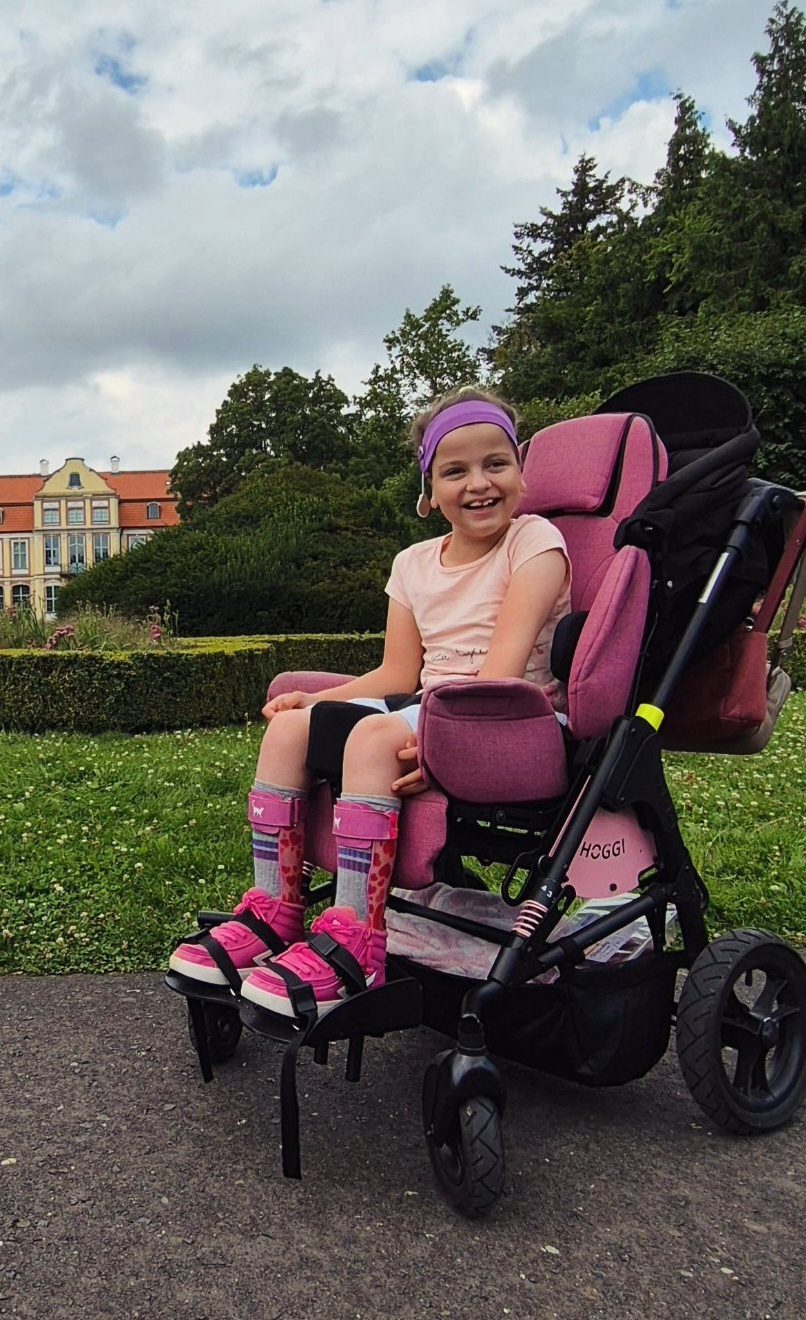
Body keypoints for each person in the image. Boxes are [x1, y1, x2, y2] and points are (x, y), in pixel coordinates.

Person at [169, 386, 571, 1020]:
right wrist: (317, 698)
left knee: (372, 737)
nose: (478, 483)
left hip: (508, 718)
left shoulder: (535, 542)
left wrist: (447, 746)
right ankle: (275, 910)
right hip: (429, 706)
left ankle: (358, 940)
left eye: (496, 463)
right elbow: (396, 672)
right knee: (290, 730)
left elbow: (501, 671)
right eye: (455, 471)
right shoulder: (412, 563)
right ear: (429, 490)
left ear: (522, 471)